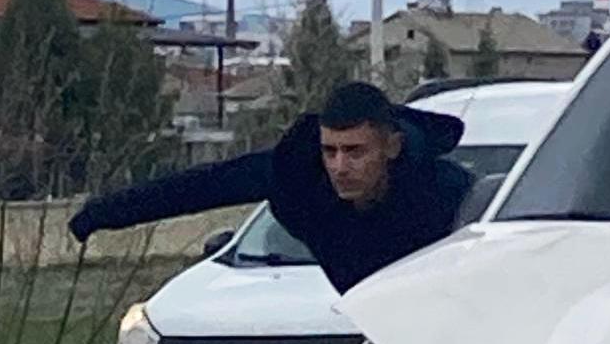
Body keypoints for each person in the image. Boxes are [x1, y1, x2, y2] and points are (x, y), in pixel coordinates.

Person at [67, 81, 477, 294]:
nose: (340, 167)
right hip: (366, 314)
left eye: (355, 152)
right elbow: (198, 188)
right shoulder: (298, 177)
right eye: (330, 151)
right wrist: (101, 214)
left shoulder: (445, 190)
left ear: (391, 146)